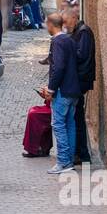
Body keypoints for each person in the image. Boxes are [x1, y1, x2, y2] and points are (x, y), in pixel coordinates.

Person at [39, 11, 82, 174]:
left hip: (63, 91)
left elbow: (59, 67)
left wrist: (51, 89)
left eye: (46, 24)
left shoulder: (57, 42)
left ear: (51, 25)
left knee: (58, 125)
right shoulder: (69, 39)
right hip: (73, 90)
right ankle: (69, 161)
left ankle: (63, 162)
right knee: (70, 124)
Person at [64, 5, 97, 165]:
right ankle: (79, 152)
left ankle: (82, 154)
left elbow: (80, 55)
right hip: (79, 79)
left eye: (66, 21)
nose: (65, 25)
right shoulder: (78, 31)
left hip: (80, 80)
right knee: (76, 116)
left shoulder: (83, 32)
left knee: (77, 117)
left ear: (73, 18)